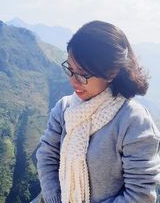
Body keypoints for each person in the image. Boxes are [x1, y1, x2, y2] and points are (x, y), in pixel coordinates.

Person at [36, 20, 160, 203]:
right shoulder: (64, 109)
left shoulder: (133, 121)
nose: (73, 81)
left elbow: (140, 195)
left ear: (111, 73)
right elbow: (47, 155)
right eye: (70, 69)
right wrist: (55, 198)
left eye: (83, 74)